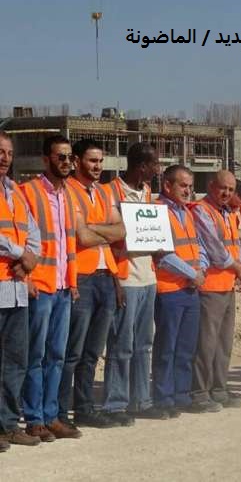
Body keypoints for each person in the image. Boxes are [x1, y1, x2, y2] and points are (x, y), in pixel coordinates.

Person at [20, 135, 84, 442]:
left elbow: (69, 243)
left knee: (57, 354)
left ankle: (51, 416)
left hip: (62, 288)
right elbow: (23, 241)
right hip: (40, 287)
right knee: (36, 354)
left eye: (69, 157)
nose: (66, 162)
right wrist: (28, 279)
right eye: (60, 157)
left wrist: (72, 281)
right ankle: (34, 418)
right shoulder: (28, 192)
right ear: (46, 159)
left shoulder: (69, 195)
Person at [59, 139, 126, 429]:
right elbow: (81, 238)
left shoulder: (103, 192)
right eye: (91, 161)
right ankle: (60, 411)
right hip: (82, 278)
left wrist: (94, 228)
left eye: (100, 161)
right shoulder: (69, 191)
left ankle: (85, 408)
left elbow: (122, 230)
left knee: (91, 352)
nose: (97, 166)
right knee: (72, 351)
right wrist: (105, 232)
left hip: (105, 277)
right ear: (76, 161)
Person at [100, 142, 161, 422]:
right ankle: (115, 403)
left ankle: (142, 400)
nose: (158, 169)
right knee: (121, 344)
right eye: (154, 164)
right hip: (126, 277)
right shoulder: (111, 193)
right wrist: (115, 280)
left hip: (147, 277)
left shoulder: (148, 193)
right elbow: (107, 240)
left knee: (144, 344)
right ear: (142, 166)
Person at [149, 165, 208, 418]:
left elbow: (199, 246)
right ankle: (163, 399)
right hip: (170, 290)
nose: (188, 190)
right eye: (183, 185)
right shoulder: (159, 212)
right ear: (167, 186)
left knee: (185, 347)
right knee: (167, 348)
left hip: (190, 289)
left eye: (190, 186)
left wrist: (201, 269)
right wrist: (193, 274)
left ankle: (181, 396)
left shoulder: (187, 213)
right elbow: (162, 254)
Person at [188, 171, 241, 411]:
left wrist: (239, 271)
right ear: (211, 185)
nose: (226, 193)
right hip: (210, 287)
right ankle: (200, 391)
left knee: (223, 343)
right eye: (222, 188)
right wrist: (238, 268)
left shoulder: (229, 213)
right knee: (206, 343)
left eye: (231, 190)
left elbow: (237, 245)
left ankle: (219, 388)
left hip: (227, 285)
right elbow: (214, 247)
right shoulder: (202, 211)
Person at [0, 132, 42, 449]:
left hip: (16, 287)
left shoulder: (15, 192)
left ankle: (8, 425)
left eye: (9, 153)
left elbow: (34, 234)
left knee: (15, 361)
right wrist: (20, 253)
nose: (5, 158)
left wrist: (30, 259)